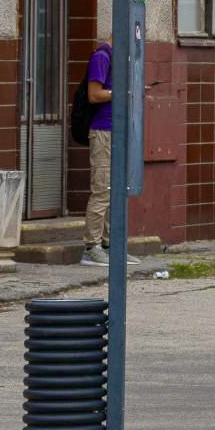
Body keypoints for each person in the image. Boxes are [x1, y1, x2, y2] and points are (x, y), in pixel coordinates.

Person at [78, 38, 135, 267]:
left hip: (118, 131)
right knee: (102, 190)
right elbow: (95, 94)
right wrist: (120, 92)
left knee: (115, 192)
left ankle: (111, 247)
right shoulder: (102, 56)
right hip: (103, 132)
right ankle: (92, 247)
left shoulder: (120, 59)